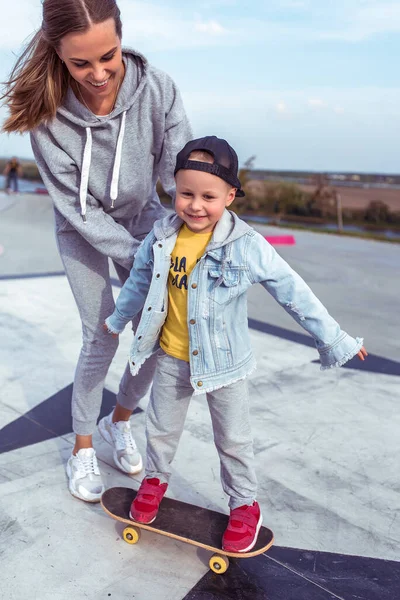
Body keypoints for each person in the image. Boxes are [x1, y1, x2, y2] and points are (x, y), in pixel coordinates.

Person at [104, 135, 368, 552]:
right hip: (171, 357)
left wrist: (334, 337)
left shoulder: (245, 246)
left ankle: (244, 504)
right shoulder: (161, 237)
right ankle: (155, 480)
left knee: (233, 439)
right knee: (160, 430)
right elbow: (139, 282)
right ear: (174, 189)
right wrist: (118, 319)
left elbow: (292, 290)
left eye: (208, 196)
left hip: (224, 365)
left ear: (230, 195)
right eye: (186, 193)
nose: (195, 205)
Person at [1, 0, 192, 503]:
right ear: (56, 54)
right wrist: (135, 256)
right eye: (80, 64)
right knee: (102, 331)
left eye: (107, 56)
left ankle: (117, 424)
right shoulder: (46, 112)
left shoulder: (158, 89)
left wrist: (185, 236)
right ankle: (82, 447)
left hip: (145, 218)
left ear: (121, 38)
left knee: (155, 330)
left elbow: (180, 176)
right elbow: (79, 210)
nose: (99, 73)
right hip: (80, 228)